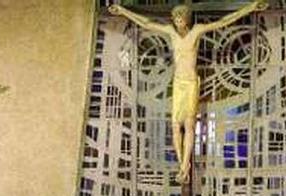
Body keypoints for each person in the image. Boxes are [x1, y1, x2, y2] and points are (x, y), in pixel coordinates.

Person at [109, 1, 269, 184]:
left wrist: (251, 7)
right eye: (176, 19)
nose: (178, 22)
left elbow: (224, 22)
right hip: (178, 83)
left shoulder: (196, 31)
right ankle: (182, 166)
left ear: (187, 19)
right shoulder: (170, 32)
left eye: (181, 18)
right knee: (176, 126)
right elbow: (146, 23)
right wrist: (122, 10)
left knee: (190, 125)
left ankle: (185, 164)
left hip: (191, 82)